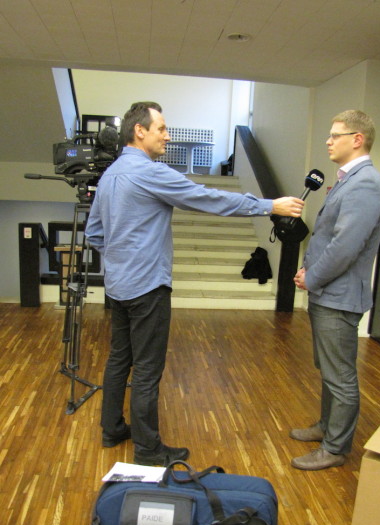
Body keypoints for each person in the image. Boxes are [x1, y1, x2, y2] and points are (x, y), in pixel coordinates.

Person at [85, 101, 304, 466]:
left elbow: (94, 233)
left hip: (119, 285)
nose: (167, 136)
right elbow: (208, 198)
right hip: (147, 287)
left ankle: (112, 429)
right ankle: (148, 450)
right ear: (139, 131)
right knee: (147, 370)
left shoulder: (110, 175)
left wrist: (120, 258)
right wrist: (269, 206)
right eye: (161, 128)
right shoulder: (150, 173)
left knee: (120, 358)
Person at [290, 109, 380, 471]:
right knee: (329, 369)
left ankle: (335, 448)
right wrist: (310, 271)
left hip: (339, 296)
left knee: (341, 376)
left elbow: (345, 247)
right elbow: (330, 238)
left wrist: (312, 277)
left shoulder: (365, 184)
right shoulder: (350, 179)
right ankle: (326, 427)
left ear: (357, 139)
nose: (328, 141)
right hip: (328, 292)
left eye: (336, 135)